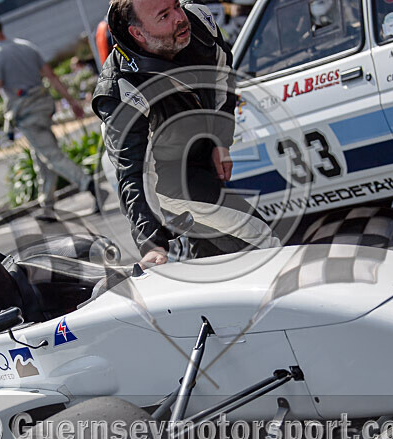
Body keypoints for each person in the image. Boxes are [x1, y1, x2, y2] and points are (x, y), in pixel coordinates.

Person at [92, 0, 279, 266]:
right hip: (163, 179)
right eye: (164, 15)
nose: (180, 18)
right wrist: (151, 241)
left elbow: (224, 78)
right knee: (259, 237)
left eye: (177, 6)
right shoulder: (119, 88)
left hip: (198, 151)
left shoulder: (199, 21)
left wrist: (220, 141)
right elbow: (133, 174)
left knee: (211, 260)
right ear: (137, 33)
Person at [0, 14, 101, 218]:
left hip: (26, 112)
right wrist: (72, 102)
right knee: (42, 156)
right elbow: (52, 76)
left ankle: (90, 185)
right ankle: (46, 205)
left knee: (51, 155)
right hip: (44, 107)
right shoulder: (26, 46)